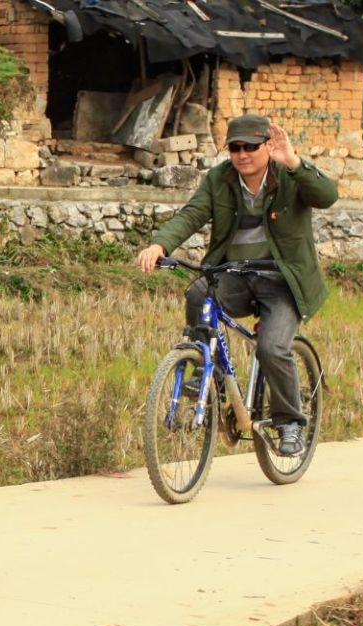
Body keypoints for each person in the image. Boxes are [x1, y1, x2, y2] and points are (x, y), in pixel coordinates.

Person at [134, 114, 337, 457]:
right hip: (235, 274)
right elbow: (191, 214)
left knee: (271, 348)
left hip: (282, 280)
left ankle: (290, 423)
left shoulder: (288, 174)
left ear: (266, 146)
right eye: (235, 148)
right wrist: (160, 245)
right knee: (199, 292)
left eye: (251, 147)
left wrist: (293, 161)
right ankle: (203, 368)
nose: (243, 155)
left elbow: (327, 195)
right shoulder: (219, 179)